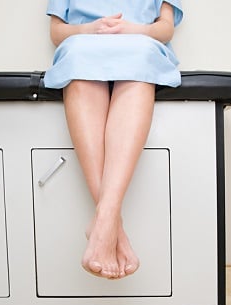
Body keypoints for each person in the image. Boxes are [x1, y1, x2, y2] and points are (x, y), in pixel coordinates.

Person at [44, 0, 183, 280]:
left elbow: (165, 29)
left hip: (140, 43)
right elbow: (57, 32)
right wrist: (89, 28)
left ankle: (104, 221)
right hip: (84, 44)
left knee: (141, 52)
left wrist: (133, 29)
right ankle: (112, 227)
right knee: (78, 52)